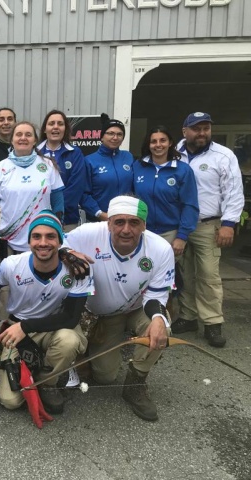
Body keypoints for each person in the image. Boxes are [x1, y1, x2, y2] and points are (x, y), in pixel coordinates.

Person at [62, 195, 175, 421]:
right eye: (119, 222)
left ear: (144, 225)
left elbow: (157, 295)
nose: (126, 229)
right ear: (109, 223)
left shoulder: (161, 249)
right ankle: (96, 348)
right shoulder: (88, 233)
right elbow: (57, 240)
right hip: (104, 314)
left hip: (139, 308)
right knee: (105, 377)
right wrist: (66, 253)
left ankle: (136, 383)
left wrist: (158, 320)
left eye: (134, 223)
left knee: (162, 325)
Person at [0, 211, 94, 414]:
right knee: (11, 401)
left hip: (54, 325)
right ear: (29, 241)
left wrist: (26, 327)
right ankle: (31, 367)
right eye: (36, 236)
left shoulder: (78, 269)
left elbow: (71, 318)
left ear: (61, 241)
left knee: (69, 340)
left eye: (50, 236)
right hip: (16, 325)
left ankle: (48, 383)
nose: (43, 243)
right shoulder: (12, 265)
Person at [172, 112, 245, 348]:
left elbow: (233, 191)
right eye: (196, 128)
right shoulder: (174, 153)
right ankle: (188, 316)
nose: (202, 133)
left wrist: (228, 224)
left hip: (208, 224)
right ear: (185, 131)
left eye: (206, 128)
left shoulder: (223, 156)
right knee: (184, 274)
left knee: (208, 275)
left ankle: (212, 323)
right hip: (180, 225)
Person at [0, 121, 65, 255]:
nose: (23, 138)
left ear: (35, 141)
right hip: (7, 240)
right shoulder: (1, 167)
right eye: (19, 134)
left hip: (41, 239)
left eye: (28, 135)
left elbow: (58, 203)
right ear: (12, 140)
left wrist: (57, 230)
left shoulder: (48, 165)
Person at [132, 126, 199, 256]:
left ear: (170, 143)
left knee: (166, 274)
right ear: (148, 144)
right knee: (142, 271)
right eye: (153, 141)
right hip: (142, 231)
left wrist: (182, 236)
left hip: (170, 233)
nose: (158, 145)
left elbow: (189, 205)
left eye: (163, 140)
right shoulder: (137, 167)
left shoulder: (183, 170)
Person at [37, 110, 89, 231]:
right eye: (51, 123)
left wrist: (57, 211)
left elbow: (76, 187)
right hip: (38, 218)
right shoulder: (35, 153)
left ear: (65, 129)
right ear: (45, 129)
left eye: (60, 124)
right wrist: (45, 212)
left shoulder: (75, 153)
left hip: (68, 220)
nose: (56, 127)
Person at [81, 114, 134, 222]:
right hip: (98, 221)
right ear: (102, 137)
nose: (115, 137)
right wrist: (100, 214)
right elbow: (83, 194)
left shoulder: (128, 157)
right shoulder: (89, 161)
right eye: (110, 133)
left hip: (125, 220)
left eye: (119, 134)